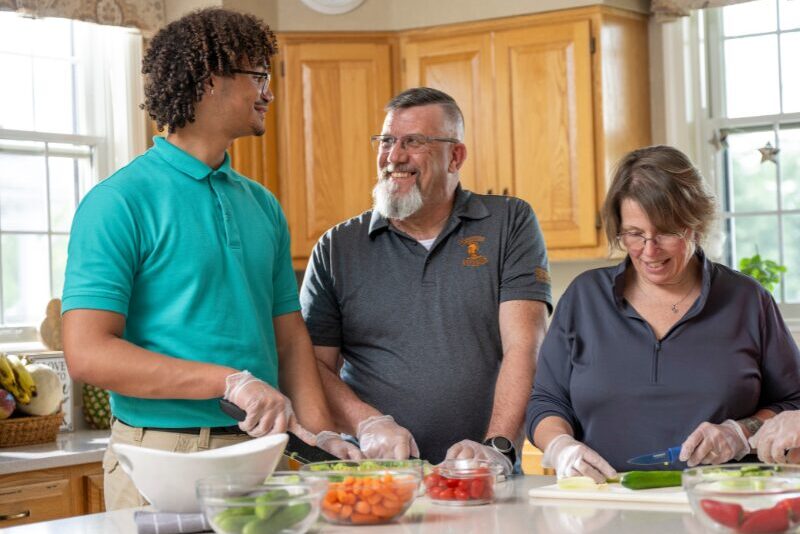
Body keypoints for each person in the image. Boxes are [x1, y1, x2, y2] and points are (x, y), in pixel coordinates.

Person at [61, 8, 360, 510]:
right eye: (258, 76)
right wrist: (228, 382)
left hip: (263, 454)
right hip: (163, 458)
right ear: (209, 80)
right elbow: (88, 352)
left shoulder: (262, 205)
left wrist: (322, 437)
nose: (269, 93)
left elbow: (289, 339)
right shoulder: (119, 202)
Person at [299, 87, 552, 471]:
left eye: (413, 142)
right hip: (375, 475)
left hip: (481, 474)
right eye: (386, 141)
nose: (394, 156)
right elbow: (311, 367)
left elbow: (525, 346)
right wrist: (367, 422)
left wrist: (497, 446)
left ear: (456, 156)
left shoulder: (509, 222)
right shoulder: (337, 247)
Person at [525, 145, 800, 482]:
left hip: (718, 500)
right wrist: (560, 446)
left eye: (667, 232)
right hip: (604, 501)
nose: (649, 250)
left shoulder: (747, 300)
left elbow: (794, 401)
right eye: (634, 234)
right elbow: (546, 401)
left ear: (696, 225)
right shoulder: (585, 298)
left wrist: (741, 432)